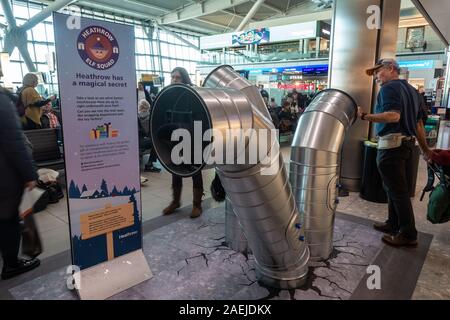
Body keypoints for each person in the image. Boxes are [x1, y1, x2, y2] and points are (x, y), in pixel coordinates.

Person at [359, 58, 434, 247]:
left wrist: (364, 116)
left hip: (391, 146)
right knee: (392, 188)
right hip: (406, 146)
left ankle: (408, 234)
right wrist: (425, 150)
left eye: (378, 71)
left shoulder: (389, 88)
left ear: (391, 68)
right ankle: (393, 224)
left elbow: (393, 116)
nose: (376, 76)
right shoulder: (413, 92)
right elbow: (418, 124)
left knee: (398, 192)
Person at [0, 86, 40, 280]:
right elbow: (15, 143)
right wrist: (29, 174)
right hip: (4, 175)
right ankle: (11, 264)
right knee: (8, 218)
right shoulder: (2, 102)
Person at [163, 67, 204, 219]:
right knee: (176, 169)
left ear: (184, 78)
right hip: (177, 137)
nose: (174, 79)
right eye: (172, 77)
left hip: (193, 137)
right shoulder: (169, 95)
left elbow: (200, 116)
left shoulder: (193, 94)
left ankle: (197, 204)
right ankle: (175, 201)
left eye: (178, 77)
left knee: (195, 171)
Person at [138, 99, 160, 173]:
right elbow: (146, 132)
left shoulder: (137, 116)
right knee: (155, 141)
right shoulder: (149, 117)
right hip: (141, 141)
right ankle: (149, 164)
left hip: (135, 141)